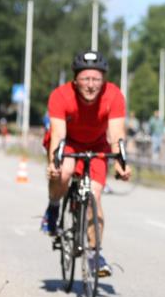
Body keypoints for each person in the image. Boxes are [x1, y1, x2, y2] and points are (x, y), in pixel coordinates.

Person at [41, 50, 132, 277]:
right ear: (75, 80)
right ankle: (53, 207)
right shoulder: (60, 96)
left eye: (96, 79)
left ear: (104, 80)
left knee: (95, 196)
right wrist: (55, 162)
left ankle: (94, 254)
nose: (91, 85)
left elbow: (116, 133)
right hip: (69, 142)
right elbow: (58, 134)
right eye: (85, 79)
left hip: (97, 145)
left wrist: (121, 162)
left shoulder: (114, 95)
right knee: (63, 173)